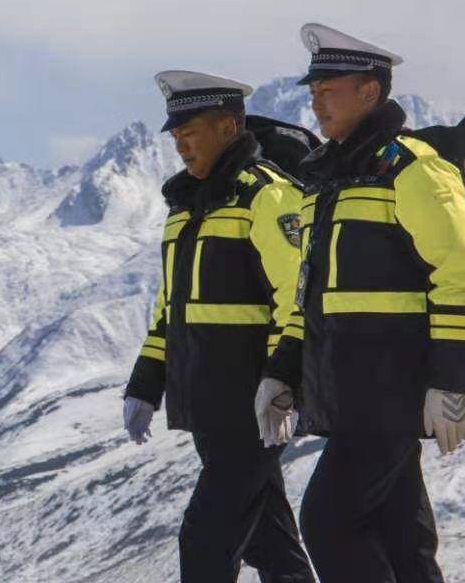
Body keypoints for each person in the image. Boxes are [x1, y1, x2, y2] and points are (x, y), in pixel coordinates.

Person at [256, 24, 465, 582]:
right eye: (312, 89)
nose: (314, 99)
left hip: (389, 391)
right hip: (347, 392)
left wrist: (452, 383)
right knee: (401, 539)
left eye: (328, 87)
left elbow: (462, 275)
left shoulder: (413, 169)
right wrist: (282, 372)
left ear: (370, 92)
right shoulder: (328, 182)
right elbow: (313, 296)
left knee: (329, 521)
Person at [123, 70, 317, 583]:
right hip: (207, 408)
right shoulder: (185, 209)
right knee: (270, 546)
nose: (182, 146)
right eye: (176, 136)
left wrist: (282, 384)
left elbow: (297, 297)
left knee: (206, 538)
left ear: (229, 128)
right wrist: (146, 384)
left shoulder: (266, 197)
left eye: (192, 133)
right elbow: (173, 309)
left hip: (251, 410)